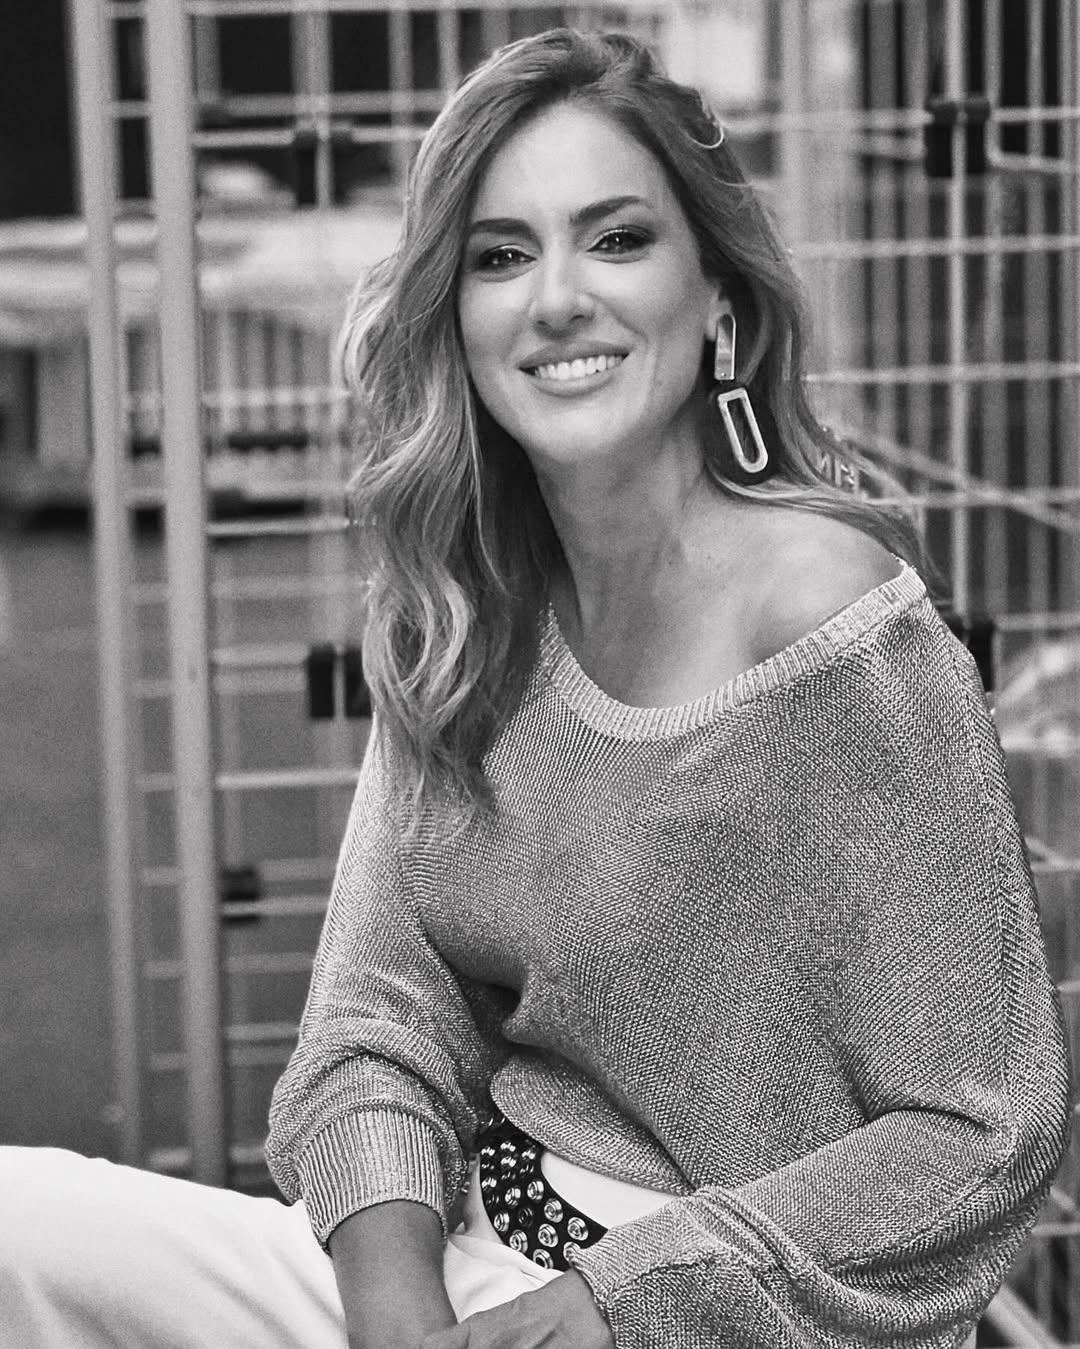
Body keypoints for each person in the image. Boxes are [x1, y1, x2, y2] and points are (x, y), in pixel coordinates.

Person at [0, 27, 1071, 1349]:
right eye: (501, 256)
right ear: (457, 317)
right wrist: (399, 1316)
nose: (556, 299)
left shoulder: (830, 619)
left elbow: (980, 1129)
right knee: (15, 1227)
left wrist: (616, 1304)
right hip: (470, 1267)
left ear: (719, 300)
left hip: (737, 1317)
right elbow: (375, 1019)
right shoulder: (464, 608)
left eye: (616, 240)